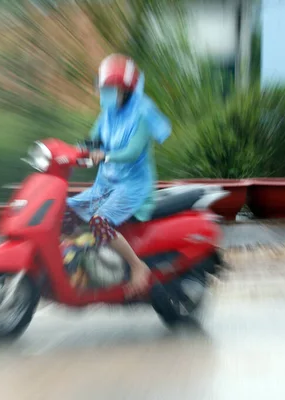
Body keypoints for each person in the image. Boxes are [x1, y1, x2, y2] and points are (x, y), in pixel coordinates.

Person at [62, 54, 171, 298]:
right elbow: (93, 141)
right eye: (104, 88)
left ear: (127, 90)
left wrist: (105, 156)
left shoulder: (142, 113)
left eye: (112, 89)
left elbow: (132, 151)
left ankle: (136, 266)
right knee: (66, 210)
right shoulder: (108, 115)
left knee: (100, 221)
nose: (106, 93)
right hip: (107, 184)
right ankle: (86, 259)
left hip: (132, 187)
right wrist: (69, 151)